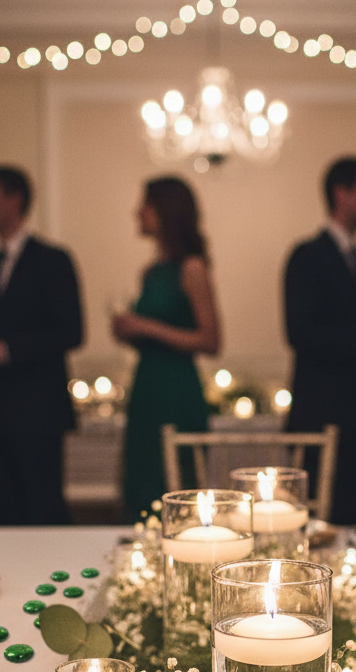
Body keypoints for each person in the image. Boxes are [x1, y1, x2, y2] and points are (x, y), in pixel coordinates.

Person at [0, 165, 84, 525]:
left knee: (44, 513)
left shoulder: (52, 261)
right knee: (5, 515)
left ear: (14, 201)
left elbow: (71, 332)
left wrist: (2, 351)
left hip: (38, 411)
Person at [284, 156, 356, 525]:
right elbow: (301, 332)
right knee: (318, 528)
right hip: (323, 418)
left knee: (348, 525)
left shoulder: (353, 258)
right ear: (341, 193)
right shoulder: (309, 256)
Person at [111, 177, 220, 521]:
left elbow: (211, 340)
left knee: (175, 480)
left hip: (177, 388)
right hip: (148, 385)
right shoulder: (151, 272)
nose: (137, 213)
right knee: (142, 475)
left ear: (165, 210)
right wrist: (130, 332)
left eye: (144, 205)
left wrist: (145, 326)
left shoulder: (192, 268)